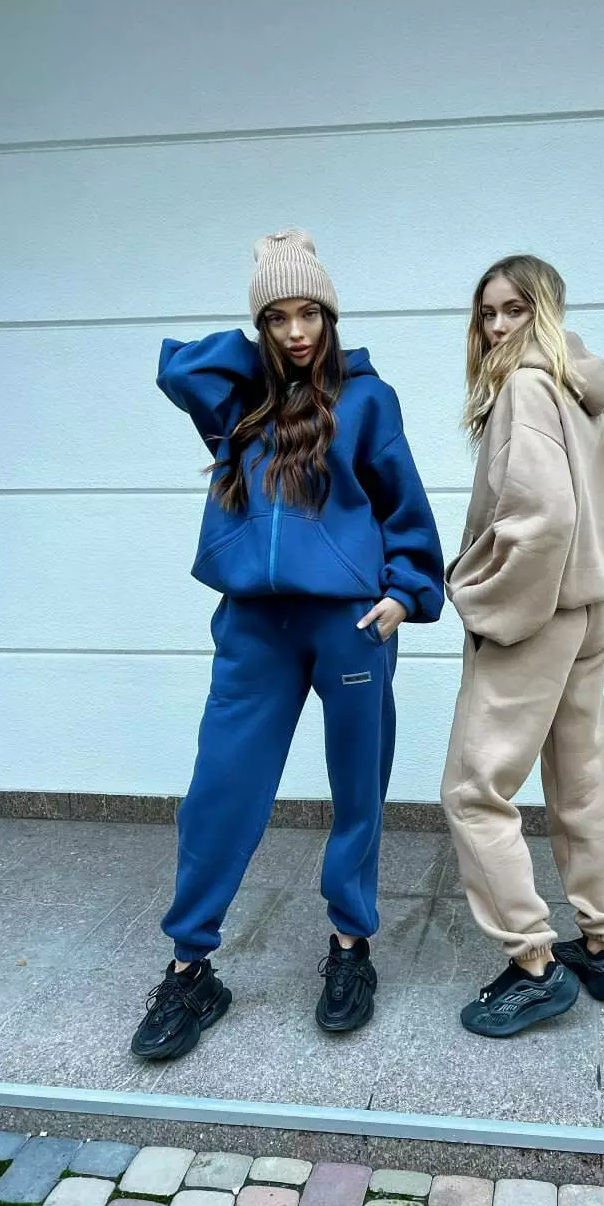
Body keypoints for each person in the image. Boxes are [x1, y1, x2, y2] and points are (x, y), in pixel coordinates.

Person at [131, 229, 444, 1059]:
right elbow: (179, 367)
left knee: (357, 792)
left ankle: (350, 947)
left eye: (310, 313)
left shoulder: (368, 399)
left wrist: (405, 594)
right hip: (254, 626)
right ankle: (190, 968)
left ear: (332, 316)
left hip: (348, 624)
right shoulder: (239, 402)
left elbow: (403, 503)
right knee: (220, 791)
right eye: (277, 317)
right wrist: (263, 336)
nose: (297, 331)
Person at [441, 254, 604, 1038]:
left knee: (475, 792)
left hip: (534, 619)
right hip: (587, 618)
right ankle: (601, 945)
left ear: (545, 310)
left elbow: (544, 519)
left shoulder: (528, 388)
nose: (498, 326)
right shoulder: (582, 389)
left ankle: (534, 964)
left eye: (514, 309)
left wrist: (484, 598)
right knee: (582, 783)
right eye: (488, 313)